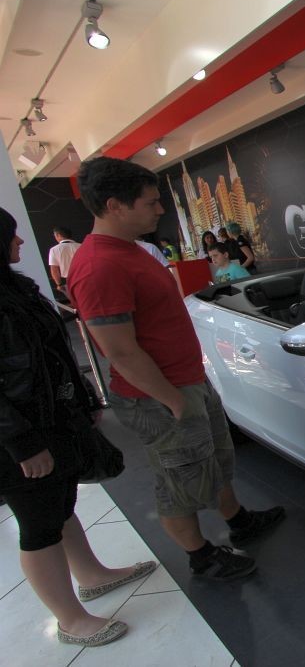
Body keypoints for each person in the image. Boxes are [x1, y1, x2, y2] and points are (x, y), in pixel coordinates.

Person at [67, 157, 285, 583]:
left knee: (214, 458)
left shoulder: (129, 250)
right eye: (150, 202)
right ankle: (201, 556)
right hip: (160, 395)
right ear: (115, 206)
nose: (160, 209)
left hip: (186, 381)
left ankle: (238, 520)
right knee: (180, 478)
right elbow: (120, 350)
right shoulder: (99, 266)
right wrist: (171, 399)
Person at [1, 206, 157, 648]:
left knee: (60, 502)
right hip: (21, 436)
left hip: (50, 420)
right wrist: (22, 442)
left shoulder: (15, 287)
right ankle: (69, 619)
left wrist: (82, 397)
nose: (21, 242)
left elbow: (50, 354)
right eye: (12, 235)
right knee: (38, 523)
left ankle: (90, 575)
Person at [48, 226, 81, 293]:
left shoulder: (54, 250)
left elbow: (54, 270)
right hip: (86, 277)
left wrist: (59, 284)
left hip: (69, 281)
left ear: (58, 235)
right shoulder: (82, 246)